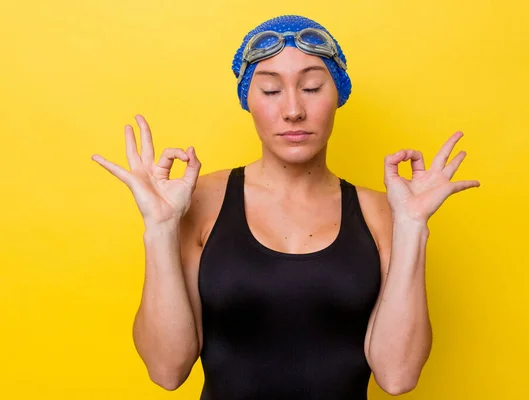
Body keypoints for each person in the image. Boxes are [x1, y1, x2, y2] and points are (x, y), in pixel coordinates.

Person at [91, 14, 480, 400]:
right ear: (248, 99)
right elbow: (166, 370)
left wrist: (412, 224)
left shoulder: (380, 213)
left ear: (338, 95)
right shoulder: (200, 202)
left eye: (311, 87)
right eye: (271, 91)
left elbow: (397, 376)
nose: (293, 109)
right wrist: (160, 227)